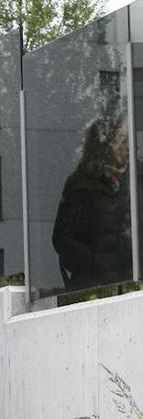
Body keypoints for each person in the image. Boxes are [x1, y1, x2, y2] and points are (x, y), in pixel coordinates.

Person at [53, 116, 133, 292]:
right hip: (94, 288)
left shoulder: (138, 179)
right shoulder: (81, 183)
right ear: (105, 145)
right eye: (121, 140)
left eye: (129, 140)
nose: (126, 147)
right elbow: (62, 238)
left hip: (133, 286)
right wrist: (93, 263)